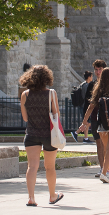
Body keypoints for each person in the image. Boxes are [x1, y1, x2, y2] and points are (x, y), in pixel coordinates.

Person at [19, 65, 64, 206]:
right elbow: (56, 114)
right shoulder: (51, 93)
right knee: (50, 167)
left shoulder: (25, 95)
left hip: (31, 134)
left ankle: (31, 198)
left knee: (32, 166)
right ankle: (52, 196)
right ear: (47, 78)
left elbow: (25, 118)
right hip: (49, 135)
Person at [80, 67, 109, 183]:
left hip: (102, 123)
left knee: (106, 150)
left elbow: (91, 106)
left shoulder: (98, 89)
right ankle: (104, 173)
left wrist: (84, 122)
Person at [70, 70, 95, 144]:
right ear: (89, 77)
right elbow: (87, 97)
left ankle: (85, 138)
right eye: (91, 76)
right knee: (88, 122)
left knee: (86, 122)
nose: (92, 78)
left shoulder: (83, 84)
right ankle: (76, 132)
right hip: (84, 106)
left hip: (83, 105)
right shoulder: (86, 85)